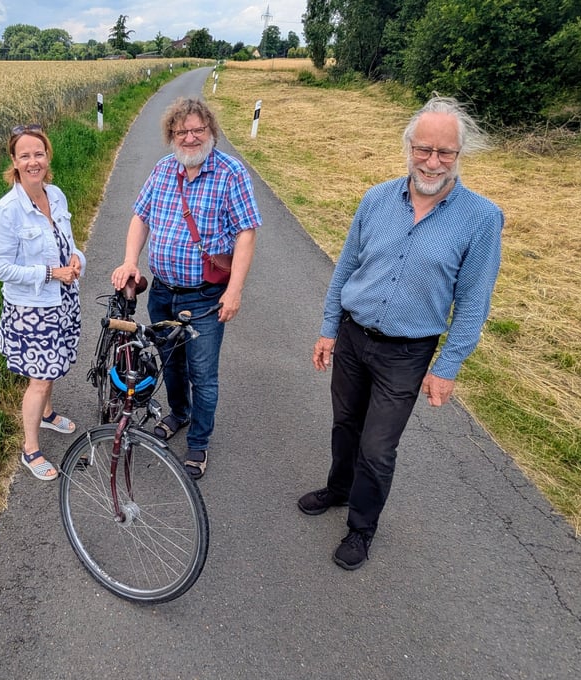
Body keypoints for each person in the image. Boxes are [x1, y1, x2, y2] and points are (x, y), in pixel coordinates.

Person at [299, 96, 504, 570]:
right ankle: (339, 488)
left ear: (460, 154)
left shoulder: (480, 217)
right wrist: (329, 329)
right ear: (408, 147)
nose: (433, 161)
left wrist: (447, 366)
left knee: (378, 445)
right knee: (345, 424)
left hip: (407, 352)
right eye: (423, 149)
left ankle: (361, 528)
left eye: (445, 152)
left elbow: (474, 301)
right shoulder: (376, 199)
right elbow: (346, 268)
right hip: (352, 337)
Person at [110, 97, 261, 480]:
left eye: (198, 130)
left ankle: (199, 442)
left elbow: (246, 233)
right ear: (172, 135)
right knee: (170, 363)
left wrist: (235, 290)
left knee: (203, 373)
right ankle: (179, 412)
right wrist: (131, 260)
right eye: (182, 131)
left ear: (210, 131)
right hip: (162, 292)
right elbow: (140, 217)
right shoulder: (163, 170)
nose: (190, 138)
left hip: (205, 297)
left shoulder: (230, 173)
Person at [0, 124, 85, 482]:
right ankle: (30, 449)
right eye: (25, 155)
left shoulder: (56, 195)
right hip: (32, 308)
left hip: (62, 298)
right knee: (41, 378)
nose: (34, 161)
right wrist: (50, 273)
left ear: (48, 157)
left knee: (54, 364)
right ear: (14, 161)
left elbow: (69, 243)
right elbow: (2, 269)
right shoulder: (7, 210)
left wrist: (77, 261)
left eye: (39, 153)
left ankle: (47, 414)